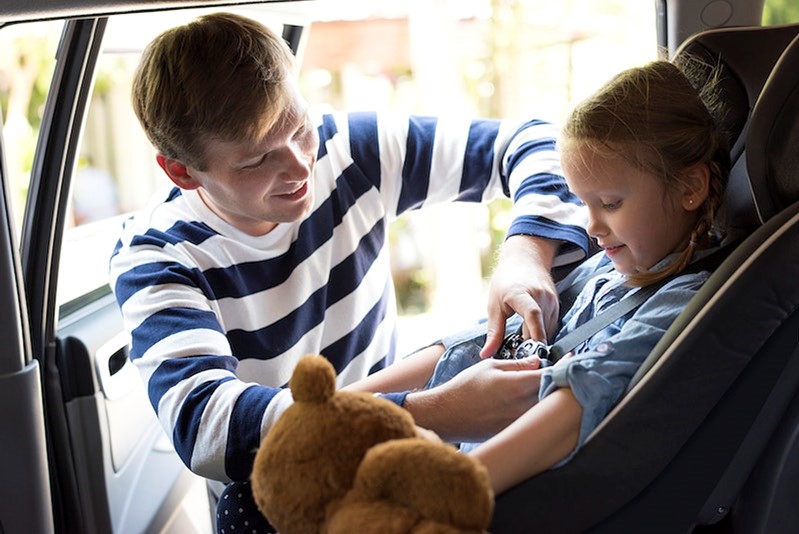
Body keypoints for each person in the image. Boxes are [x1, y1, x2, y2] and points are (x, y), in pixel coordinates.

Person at [107, 11, 589, 530]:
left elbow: (543, 145)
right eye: (255, 160)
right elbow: (207, 429)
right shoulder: (157, 257)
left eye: (298, 127)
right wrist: (434, 410)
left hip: (399, 455)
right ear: (181, 171)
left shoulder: (347, 150)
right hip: (288, 497)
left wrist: (525, 255)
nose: (298, 167)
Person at [351, 58, 731, 495]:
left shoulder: (680, 303)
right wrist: (333, 411)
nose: (590, 226)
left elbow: (575, 404)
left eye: (609, 203)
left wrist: (434, 496)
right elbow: (481, 343)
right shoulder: (606, 269)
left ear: (690, 188)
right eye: (582, 202)